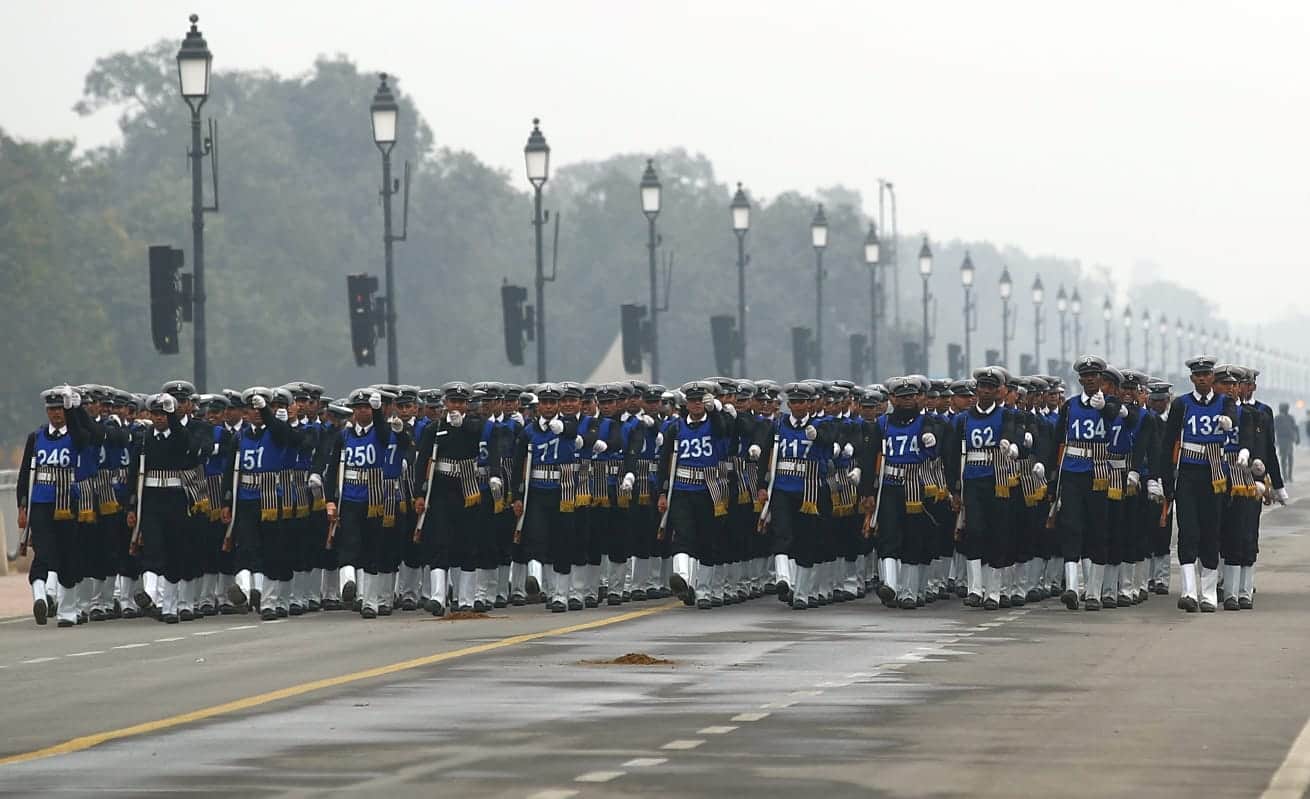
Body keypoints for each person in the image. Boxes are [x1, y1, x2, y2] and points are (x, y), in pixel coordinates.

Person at [1274, 402, 1299, 483]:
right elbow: (1273, 429)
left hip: (1289, 439)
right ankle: (1285, 476)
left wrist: (1297, 438)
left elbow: (1295, 428)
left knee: (1289, 457)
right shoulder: (1277, 418)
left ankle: (1289, 476)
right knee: (1284, 458)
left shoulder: (1290, 418)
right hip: (1282, 439)